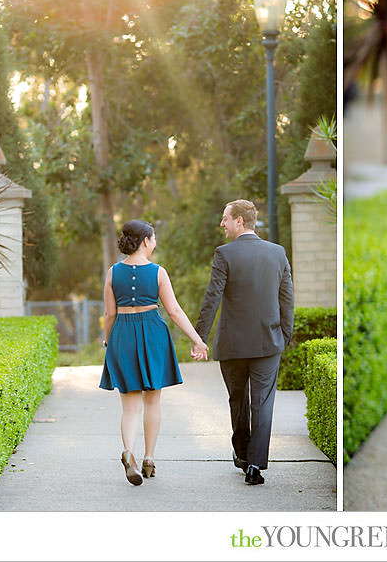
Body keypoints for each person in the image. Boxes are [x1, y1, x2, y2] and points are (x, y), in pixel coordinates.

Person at [99, 219, 209, 486]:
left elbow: (110, 313)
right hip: (152, 333)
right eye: (154, 238)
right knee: (152, 401)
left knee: (129, 404)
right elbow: (174, 311)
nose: (155, 243)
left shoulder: (113, 272)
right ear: (145, 241)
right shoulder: (158, 272)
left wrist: (108, 342)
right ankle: (148, 459)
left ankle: (129, 452)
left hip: (123, 334)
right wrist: (198, 340)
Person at [194, 200, 294, 486]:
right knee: (261, 403)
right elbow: (287, 299)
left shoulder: (224, 254)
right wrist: (284, 336)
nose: (222, 224)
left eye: (225, 218)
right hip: (268, 342)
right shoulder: (277, 253)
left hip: (233, 345)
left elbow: (212, 298)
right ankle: (254, 466)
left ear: (239, 221)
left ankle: (242, 455)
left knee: (237, 401)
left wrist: (200, 337)